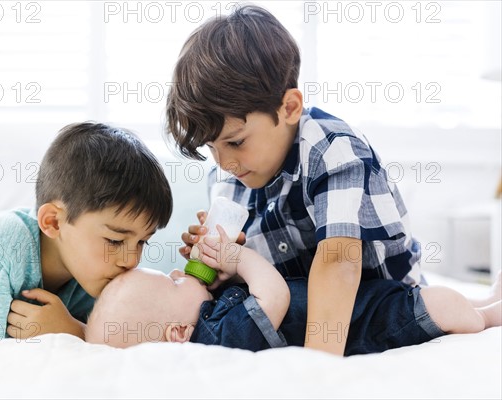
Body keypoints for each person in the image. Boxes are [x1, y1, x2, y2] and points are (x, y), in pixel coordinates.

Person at [165, 5, 436, 355]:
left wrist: (315, 369)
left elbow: (339, 262)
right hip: (305, 314)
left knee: (447, 309)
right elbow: (268, 283)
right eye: (211, 148)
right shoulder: (228, 180)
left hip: (389, 307)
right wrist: (224, 267)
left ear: (289, 108)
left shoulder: (332, 149)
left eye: (235, 142)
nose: (225, 163)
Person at [0, 122, 173, 345]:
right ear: (53, 222)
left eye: (142, 242)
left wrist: (75, 331)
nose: (132, 260)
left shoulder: (90, 273)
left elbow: (124, 338)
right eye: (115, 240)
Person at [85, 225, 502, 354]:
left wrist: (224, 275)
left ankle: (487, 301)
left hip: (354, 305)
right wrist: (239, 261)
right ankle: (488, 317)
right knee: (442, 305)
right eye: (173, 281)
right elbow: (275, 296)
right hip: (366, 324)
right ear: (177, 333)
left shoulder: (212, 321)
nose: (181, 273)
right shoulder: (216, 336)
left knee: (450, 299)